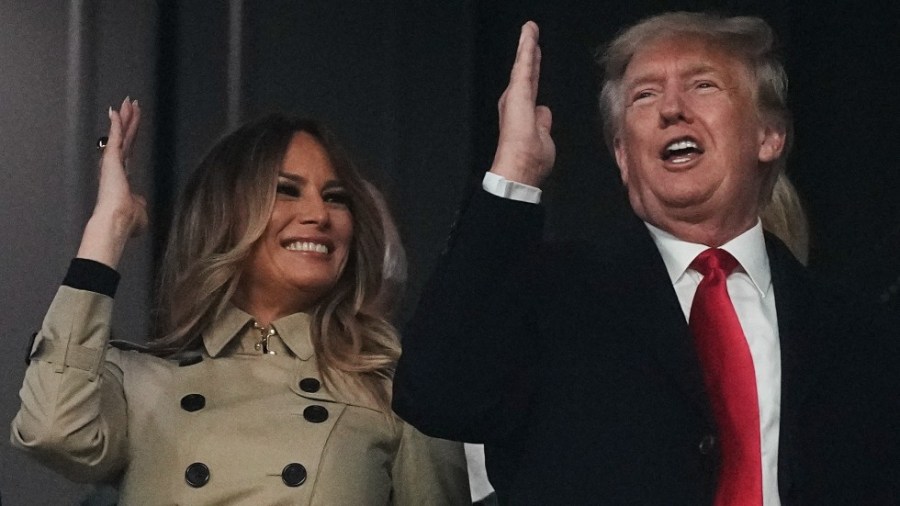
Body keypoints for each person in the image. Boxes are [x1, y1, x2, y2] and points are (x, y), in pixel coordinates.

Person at [393, 12, 900, 505]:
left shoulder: (856, 332)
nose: (671, 109)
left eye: (703, 85)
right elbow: (437, 398)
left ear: (768, 136)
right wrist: (515, 170)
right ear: (621, 155)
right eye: (645, 94)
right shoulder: (551, 296)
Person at [12, 99, 468, 504]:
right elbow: (51, 432)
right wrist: (109, 226)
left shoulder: (394, 390)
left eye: (336, 198)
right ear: (224, 213)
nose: (319, 215)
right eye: (286, 190)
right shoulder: (139, 379)